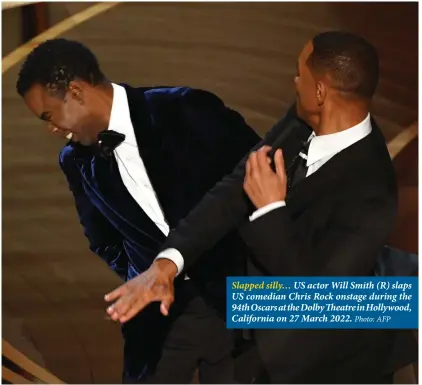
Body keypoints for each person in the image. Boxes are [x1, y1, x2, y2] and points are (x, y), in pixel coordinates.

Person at [104, 31, 418, 383]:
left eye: (300, 73)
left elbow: (317, 298)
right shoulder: (304, 121)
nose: (294, 81)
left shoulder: (372, 190)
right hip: (263, 330)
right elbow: (234, 189)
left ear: (320, 92)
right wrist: (167, 263)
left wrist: (271, 210)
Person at [16, 38, 261, 383]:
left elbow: (263, 180)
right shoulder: (74, 162)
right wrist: (142, 274)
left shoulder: (185, 110)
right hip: (159, 313)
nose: (51, 129)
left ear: (75, 91)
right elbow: (102, 238)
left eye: (49, 115)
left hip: (239, 295)